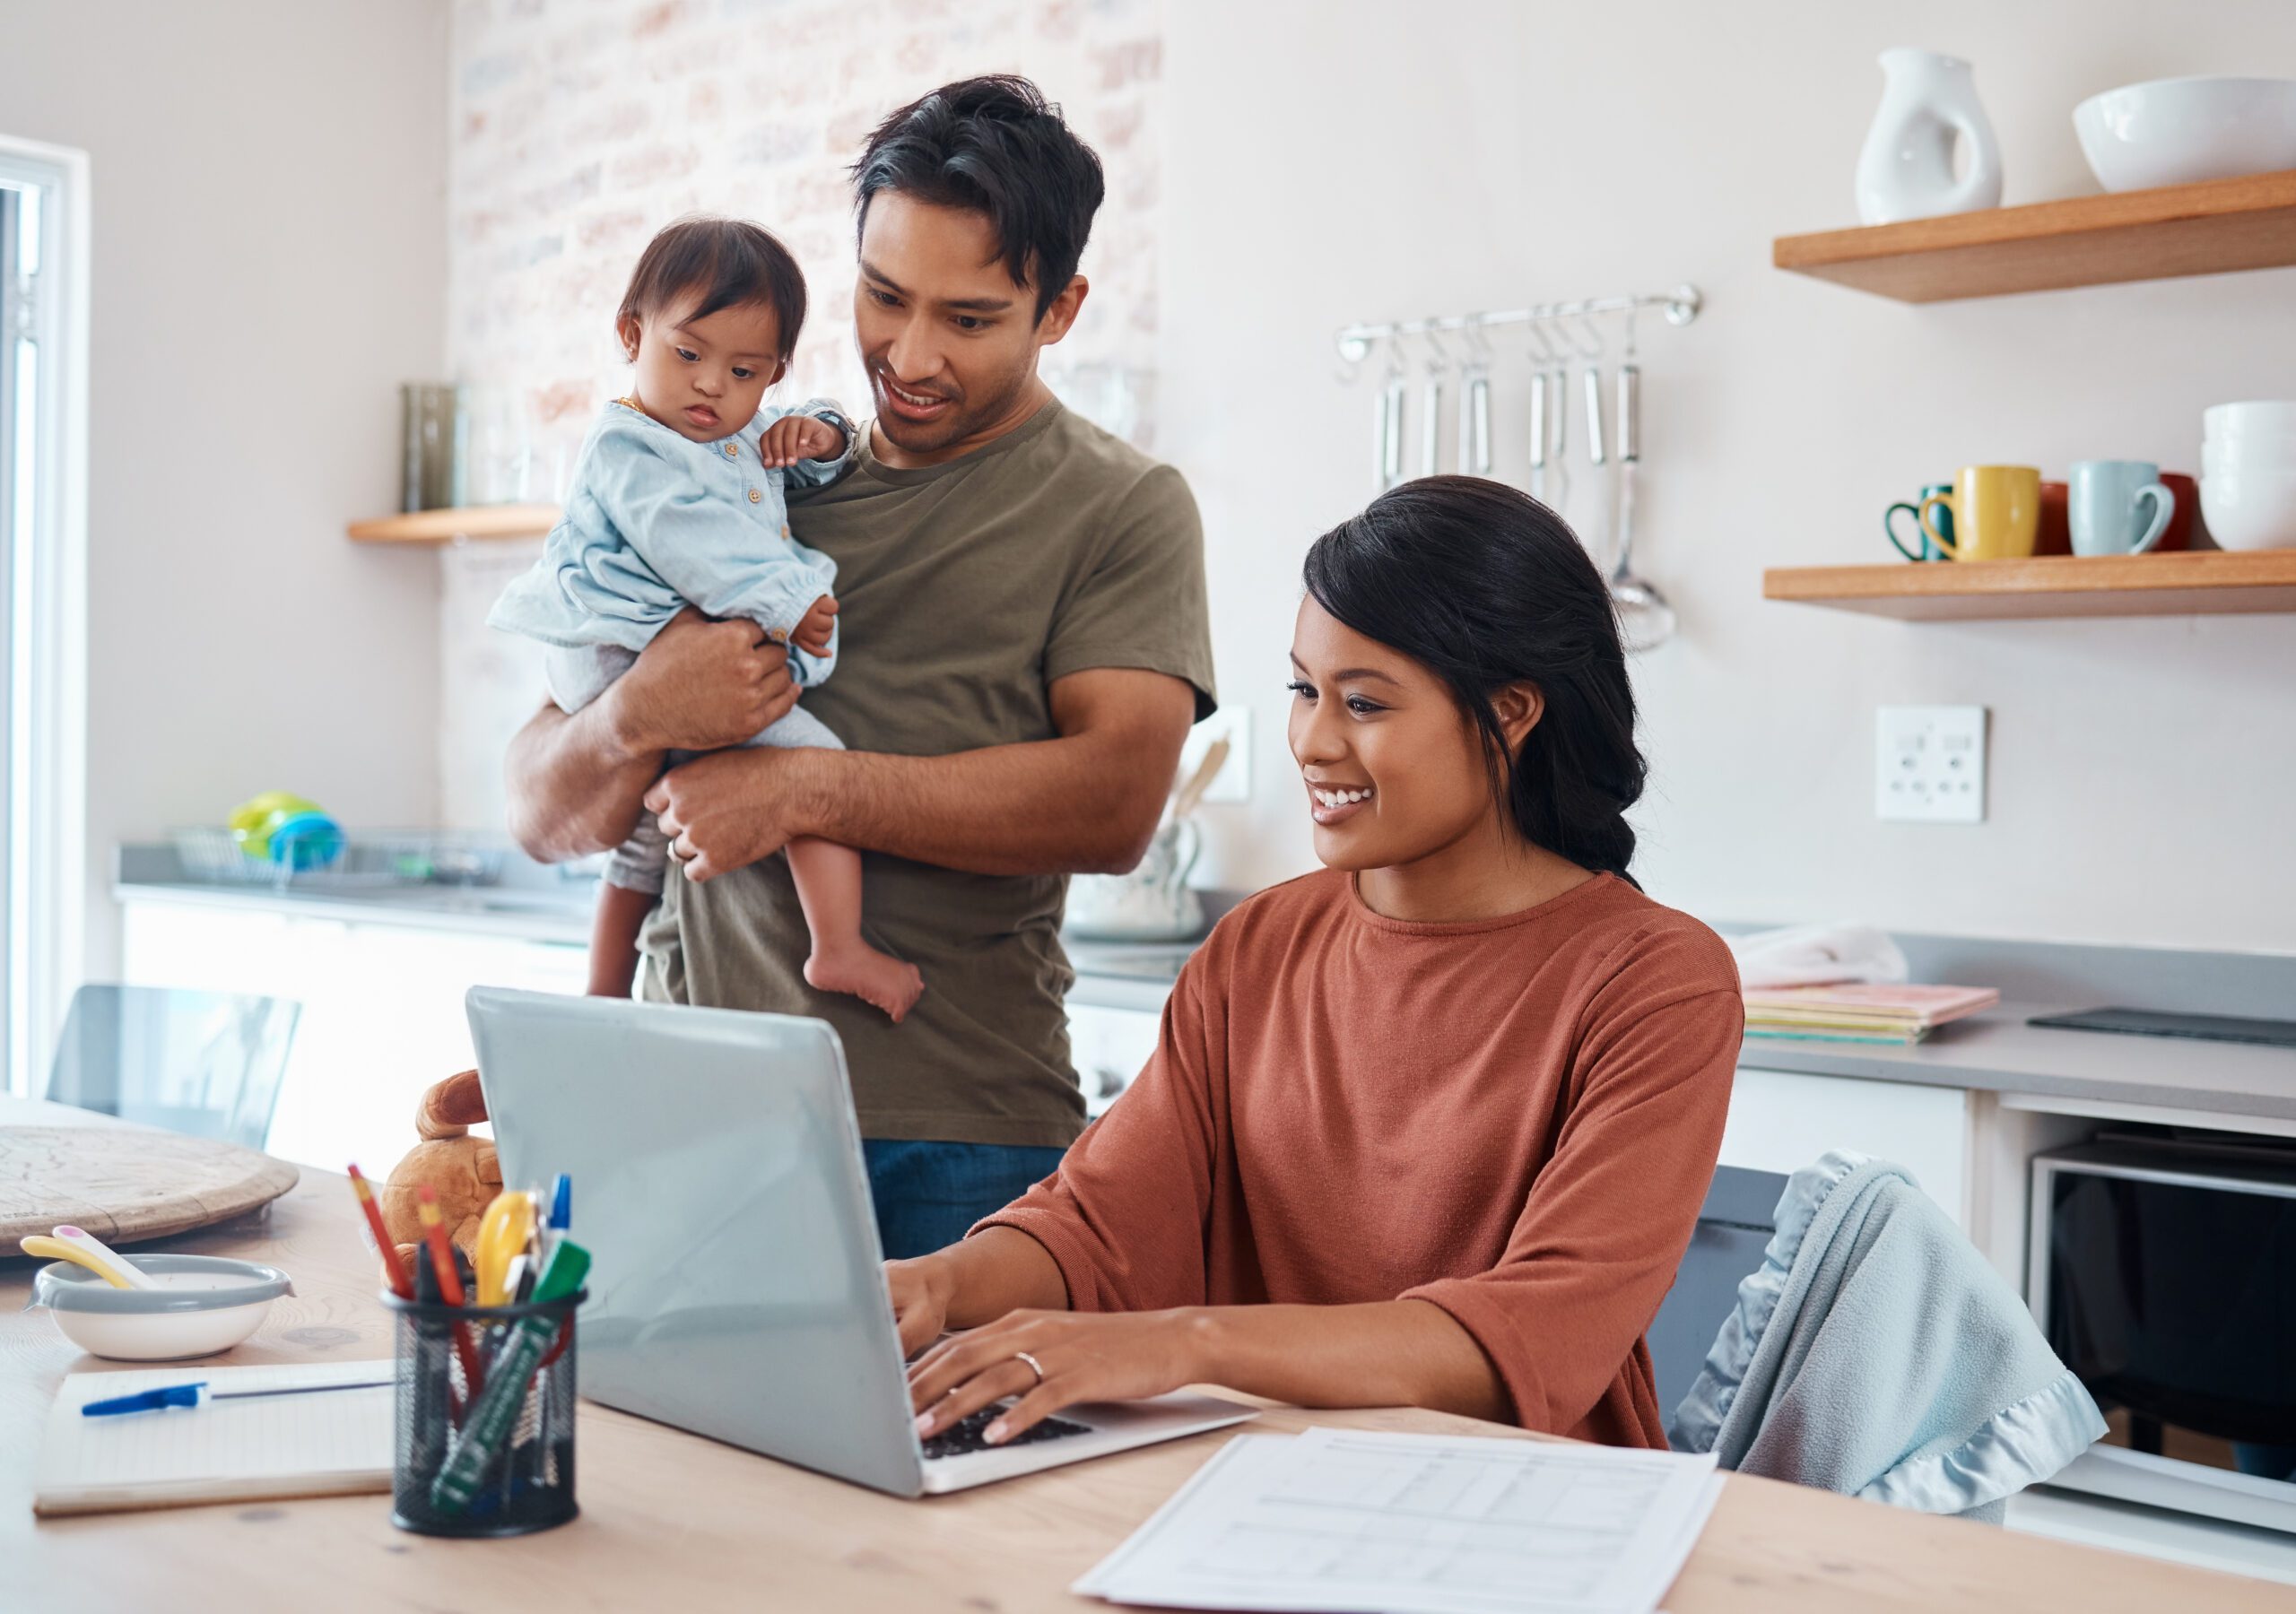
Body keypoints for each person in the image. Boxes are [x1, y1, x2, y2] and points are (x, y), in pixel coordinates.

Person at [502, 78, 1214, 1258]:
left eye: (971, 318)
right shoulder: (738, 476)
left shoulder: (1121, 507)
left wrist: (805, 790)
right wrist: (636, 713)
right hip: (691, 1113)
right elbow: (537, 807)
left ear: (1062, 307)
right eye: (884, 298)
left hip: (964, 1141)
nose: (913, 354)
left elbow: (1116, 803)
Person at [891, 477, 1744, 1451]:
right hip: (1251, 1477)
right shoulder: (1258, 946)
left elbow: (1538, 1337)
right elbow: (1101, 1222)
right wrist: (932, 1284)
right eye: (1303, 689)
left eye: (1365, 703)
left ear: (1510, 713)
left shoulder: (1654, 981)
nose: (1313, 741)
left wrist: (1188, 1345)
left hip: (1527, 1510)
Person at [489, 217, 921, 1020]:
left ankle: (602, 995)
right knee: (814, 759)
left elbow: (800, 462)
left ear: (773, 373)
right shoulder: (631, 445)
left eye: (745, 370)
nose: (711, 386)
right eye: (688, 355)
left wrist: (818, 433)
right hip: (615, 648)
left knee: (646, 837)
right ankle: (841, 947)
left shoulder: (736, 431)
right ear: (632, 333)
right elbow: (694, 543)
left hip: (635, 646)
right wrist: (790, 606)